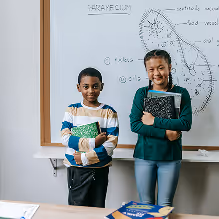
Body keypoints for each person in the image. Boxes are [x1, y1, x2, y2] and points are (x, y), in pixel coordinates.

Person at [129, 49, 192, 206]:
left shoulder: (181, 93)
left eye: (161, 67)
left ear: (169, 68)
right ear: (147, 71)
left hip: (170, 158)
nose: (156, 73)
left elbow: (185, 123)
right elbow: (135, 124)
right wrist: (165, 133)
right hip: (144, 156)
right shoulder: (141, 93)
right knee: (146, 204)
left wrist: (154, 120)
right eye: (151, 69)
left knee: (165, 204)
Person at [61, 67, 119, 208]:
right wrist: (93, 142)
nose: (91, 91)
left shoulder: (109, 112)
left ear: (101, 87)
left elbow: (111, 144)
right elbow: (65, 138)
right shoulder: (72, 110)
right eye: (86, 87)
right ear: (78, 87)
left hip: (99, 168)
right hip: (76, 167)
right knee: (77, 208)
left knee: (97, 207)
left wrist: (86, 157)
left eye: (95, 86)